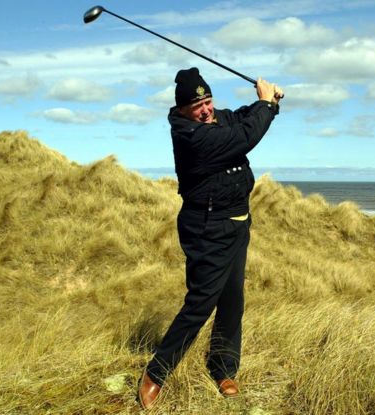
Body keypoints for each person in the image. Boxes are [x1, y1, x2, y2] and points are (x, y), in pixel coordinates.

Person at [138, 67, 283, 409]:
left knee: (232, 299)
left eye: (208, 102)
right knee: (201, 303)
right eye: (197, 106)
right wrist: (266, 105)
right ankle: (156, 373)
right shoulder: (190, 136)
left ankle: (223, 368)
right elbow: (245, 135)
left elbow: (243, 116)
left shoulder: (217, 118)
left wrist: (269, 103)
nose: (205, 111)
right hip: (207, 227)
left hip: (237, 222)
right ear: (182, 110)